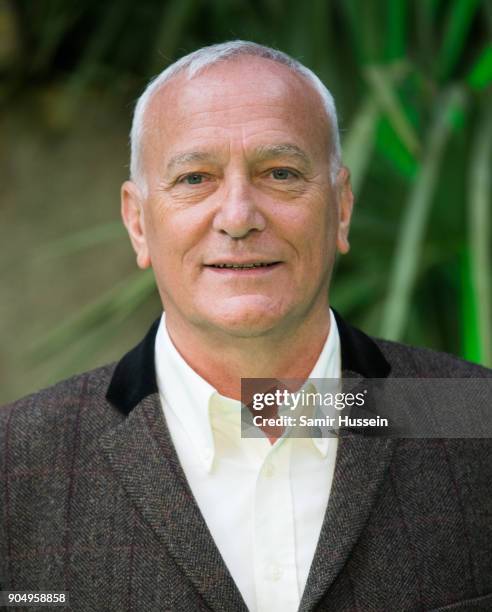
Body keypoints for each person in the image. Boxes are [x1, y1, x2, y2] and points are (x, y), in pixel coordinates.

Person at [1, 40, 492, 612]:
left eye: (280, 173)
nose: (237, 217)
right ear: (138, 222)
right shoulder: (15, 465)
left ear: (341, 206)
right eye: (194, 179)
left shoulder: (474, 419)